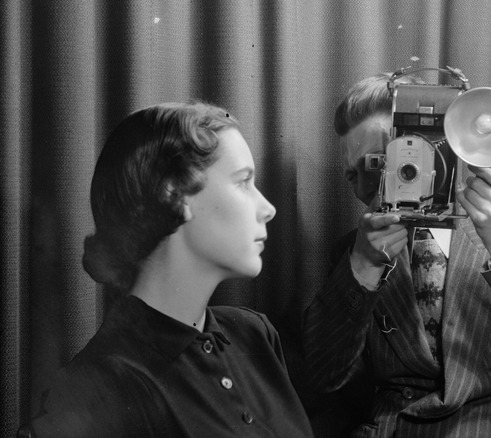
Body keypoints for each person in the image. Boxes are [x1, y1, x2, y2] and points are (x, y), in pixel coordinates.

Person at [303, 73, 491, 437]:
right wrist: (363, 268)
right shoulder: (358, 249)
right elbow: (322, 378)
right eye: (356, 174)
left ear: (437, 147)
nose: (368, 188)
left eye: (382, 161)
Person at [20, 102, 314, 437]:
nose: (269, 208)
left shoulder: (254, 334)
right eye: (243, 181)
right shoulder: (95, 389)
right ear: (175, 194)